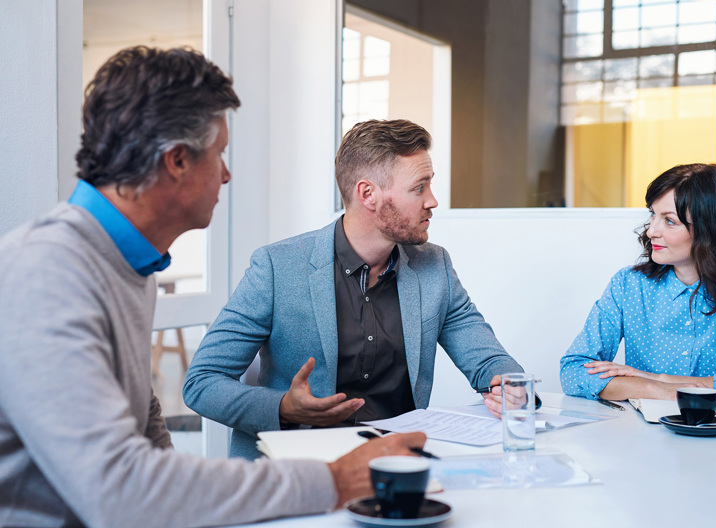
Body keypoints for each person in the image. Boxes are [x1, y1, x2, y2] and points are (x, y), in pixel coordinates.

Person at [0, 46, 425, 528]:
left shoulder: (127, 265)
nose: (226, 173)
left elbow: (145, 423)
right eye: (219, 153)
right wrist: (332, 481)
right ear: (177, 160)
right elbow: (120, 492)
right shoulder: (48, 273)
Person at [183, 118, 524, 460]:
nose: (432, 201)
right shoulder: (277, 268)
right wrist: (285, 407)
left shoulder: (434, 267)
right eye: (419, 187)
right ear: (368, 194)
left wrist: (507, 385)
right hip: (299, 470)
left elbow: (488, 357)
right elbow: (202, 382)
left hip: (397, 464)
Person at [559, 163, 716, 412]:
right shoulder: (629, 284)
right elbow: (573, 371)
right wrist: (657, 391)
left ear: (711, 230)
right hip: (644, 440)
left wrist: (659, 378)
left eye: (669, 221)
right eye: (652, 215)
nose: (651, 231)